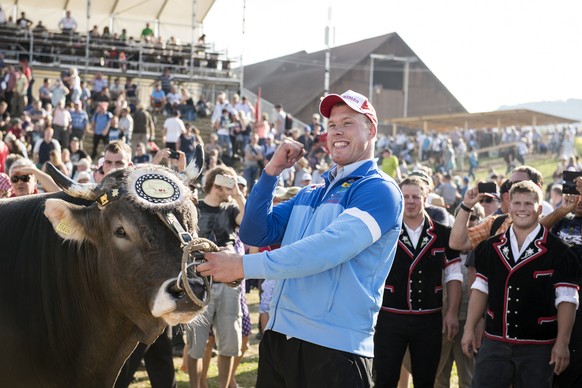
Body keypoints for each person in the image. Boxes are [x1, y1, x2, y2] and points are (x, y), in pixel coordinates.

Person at [197, 89, 404, 387]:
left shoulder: (379, 189)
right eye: (332, 125)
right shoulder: (313, 191)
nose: (336, 131)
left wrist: (243, 266)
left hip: (335, 347)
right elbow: (255, 231)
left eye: (347, 123)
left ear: (371, 129)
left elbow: (327, 249)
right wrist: (272, 171)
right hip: (280, 338)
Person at [461, 180, 580, 387]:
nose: (522, 209)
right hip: (495, 343)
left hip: (538, 347)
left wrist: (562, 342)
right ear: (509, 206)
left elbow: (567, 300)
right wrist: (470, 328)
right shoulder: (491, 247)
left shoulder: (559, 251)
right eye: (517, 203)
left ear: (539, 208)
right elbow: (480, 289)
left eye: (528, 204)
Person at [374, 176, 462, 388]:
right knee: (385, 379)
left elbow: (454, 275)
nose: (410, 201)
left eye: (415, 196)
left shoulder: (443, 234)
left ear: (425, 198)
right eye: (405, 197)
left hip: (429, 318)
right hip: (390, 316)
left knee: (425, 379)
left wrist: (451, 313)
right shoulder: (385, 233)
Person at [185, 165, 246, 388]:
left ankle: (224, 385)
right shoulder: (195, 207)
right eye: (226, 181)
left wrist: (239, 195)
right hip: (199, 282)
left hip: (228, 282)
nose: (230, 185)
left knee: (230, 343)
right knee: (196, 345)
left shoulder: (231, 209)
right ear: (214, 182)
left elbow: (250, 224)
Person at [550, 193, 582, 387]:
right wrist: (561, 210)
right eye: (576, 196)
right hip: (560, 299)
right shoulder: (561, 222)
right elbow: (535, 236)